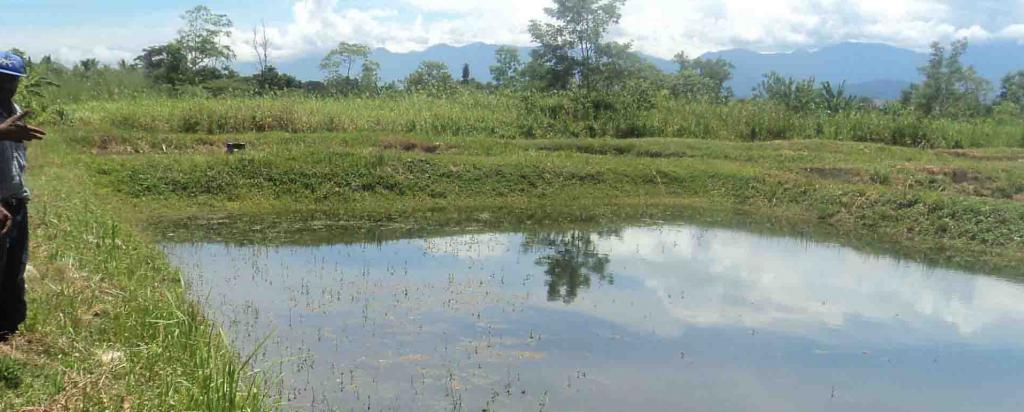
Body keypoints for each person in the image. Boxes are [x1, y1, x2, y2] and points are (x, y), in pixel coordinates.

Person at [0, 51, 47, 342]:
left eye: (12, 81)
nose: (6, 87)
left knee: (14, 268)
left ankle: (8, 330)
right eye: (1, 80)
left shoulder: (14, 109)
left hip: (16, 202)